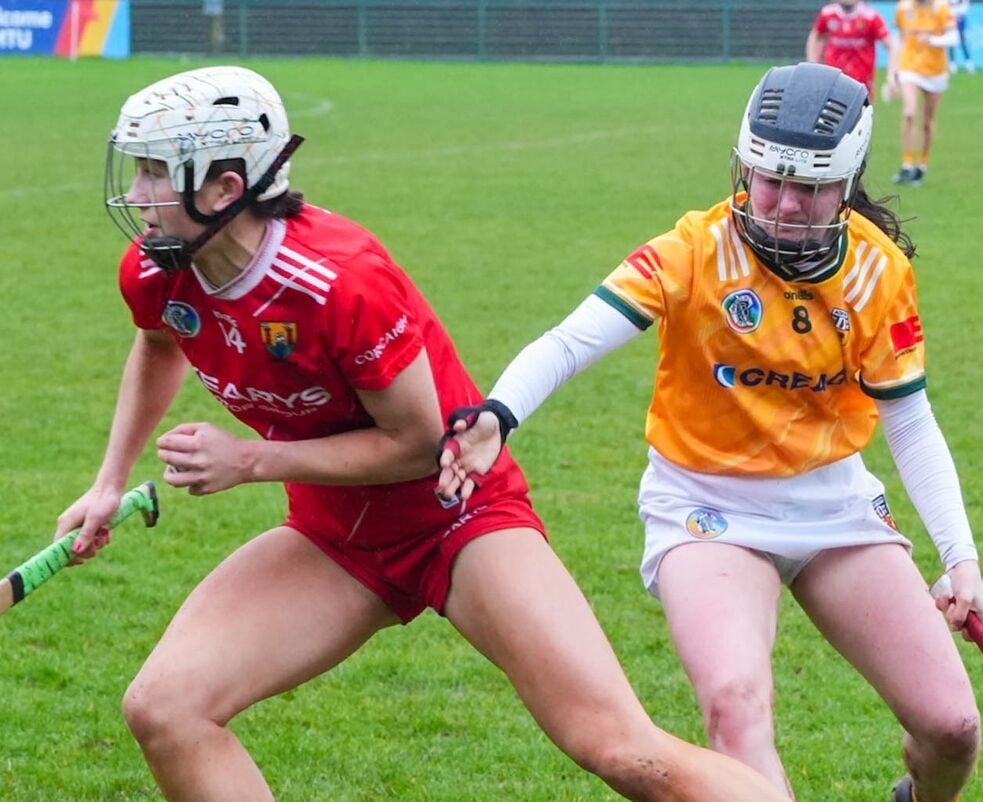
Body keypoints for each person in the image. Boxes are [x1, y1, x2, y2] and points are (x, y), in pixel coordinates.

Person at [57, 65, 794, 802]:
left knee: (625, 752)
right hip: (336, 535)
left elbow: (414, 443)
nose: (139, 193)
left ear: (223, 188)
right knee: (165, 708)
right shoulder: (159, 269)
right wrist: (108, 482)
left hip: (456, 517)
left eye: (157, 172)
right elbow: (159, 344)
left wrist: (252, 459)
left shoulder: (341, 281)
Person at [437, 63, 983, 802]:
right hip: (707, 507)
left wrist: (961, 557)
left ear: (848, 180)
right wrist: (498, 415)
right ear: (744, 165)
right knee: (734, 705)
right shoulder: (695, 251)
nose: (787, 206)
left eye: (813, 187)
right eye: (770, 181)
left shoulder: (876, 271)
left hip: (833, 503)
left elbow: (910, 419)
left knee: (953, 727)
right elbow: (572, 340)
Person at [891, 0, 959, 186]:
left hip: (935, 71)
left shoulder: (942, 7)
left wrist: (933, 40)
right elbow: (898, 37)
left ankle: (922, 165)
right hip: (909, 66)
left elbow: (954, 38)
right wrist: (893, 74)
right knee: (909, 113)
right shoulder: (904, 8)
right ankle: (907, 163)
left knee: (927, 122)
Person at [806, 0, 899, 104]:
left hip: (862, 84)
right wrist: (813, 65)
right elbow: (815, 37)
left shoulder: (871, 17)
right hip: (834, 81)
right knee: (832, 117)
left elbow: (891, 45)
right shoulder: (827, 14)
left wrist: (891, 75)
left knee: (861, 117)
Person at [946, 0, 974, 74]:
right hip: (950, 20)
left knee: (962, 42)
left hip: (960, 22)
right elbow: (946, 8)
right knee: (950, 43)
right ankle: (952, 66)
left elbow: (964, 9)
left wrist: (955, 8)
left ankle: (969, 65)